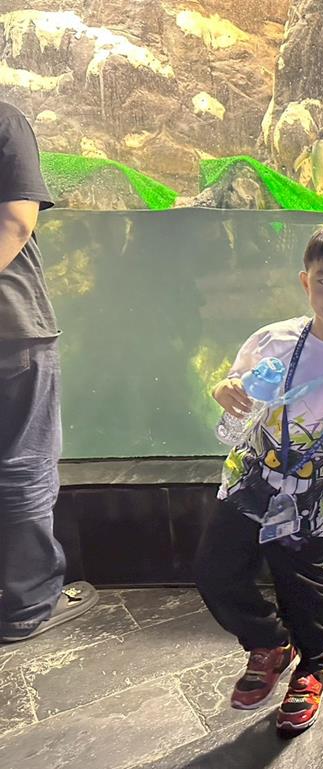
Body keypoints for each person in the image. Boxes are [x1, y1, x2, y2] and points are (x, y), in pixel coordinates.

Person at [195, 223, 323, 734]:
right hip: (248, 484)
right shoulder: (272, 339)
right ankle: (268, 643)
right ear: (305, 281)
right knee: (215, 573)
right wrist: (222, 391)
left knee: (306, 590)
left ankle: (313, 666)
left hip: (311, 500)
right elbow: (233, 386)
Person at [0, 101, 98, 644]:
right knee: (23, 464)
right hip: (11, 327)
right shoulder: (5, 120)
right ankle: (30, 602)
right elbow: (16, 220)